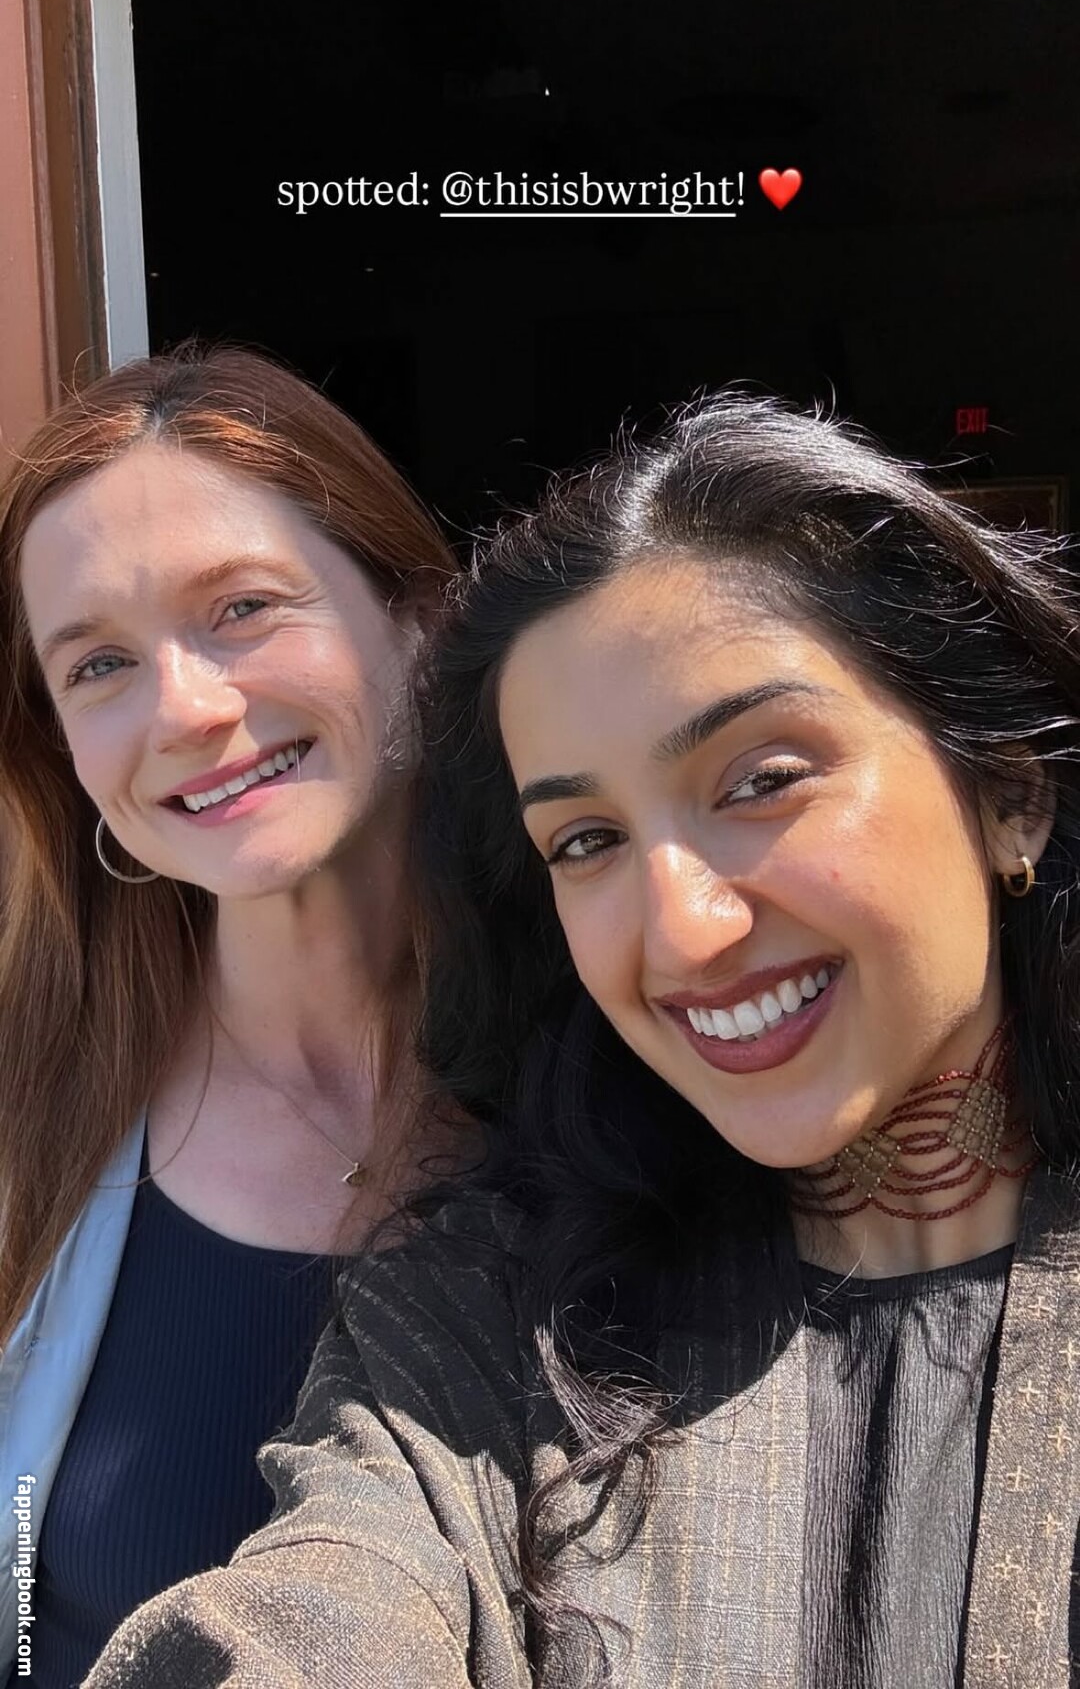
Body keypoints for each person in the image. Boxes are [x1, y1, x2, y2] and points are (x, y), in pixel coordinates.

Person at [83, 393, 1080, 1688]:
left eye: (762, 781)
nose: (685, 932)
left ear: (1008, 791)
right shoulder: (485, 1333)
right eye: (588, 840)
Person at [0, 343, 457, 1687]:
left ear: (416, 615)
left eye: (243, 607)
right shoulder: (29, 1119)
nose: (187, 710)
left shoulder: (622, 1063)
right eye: (98, 665)